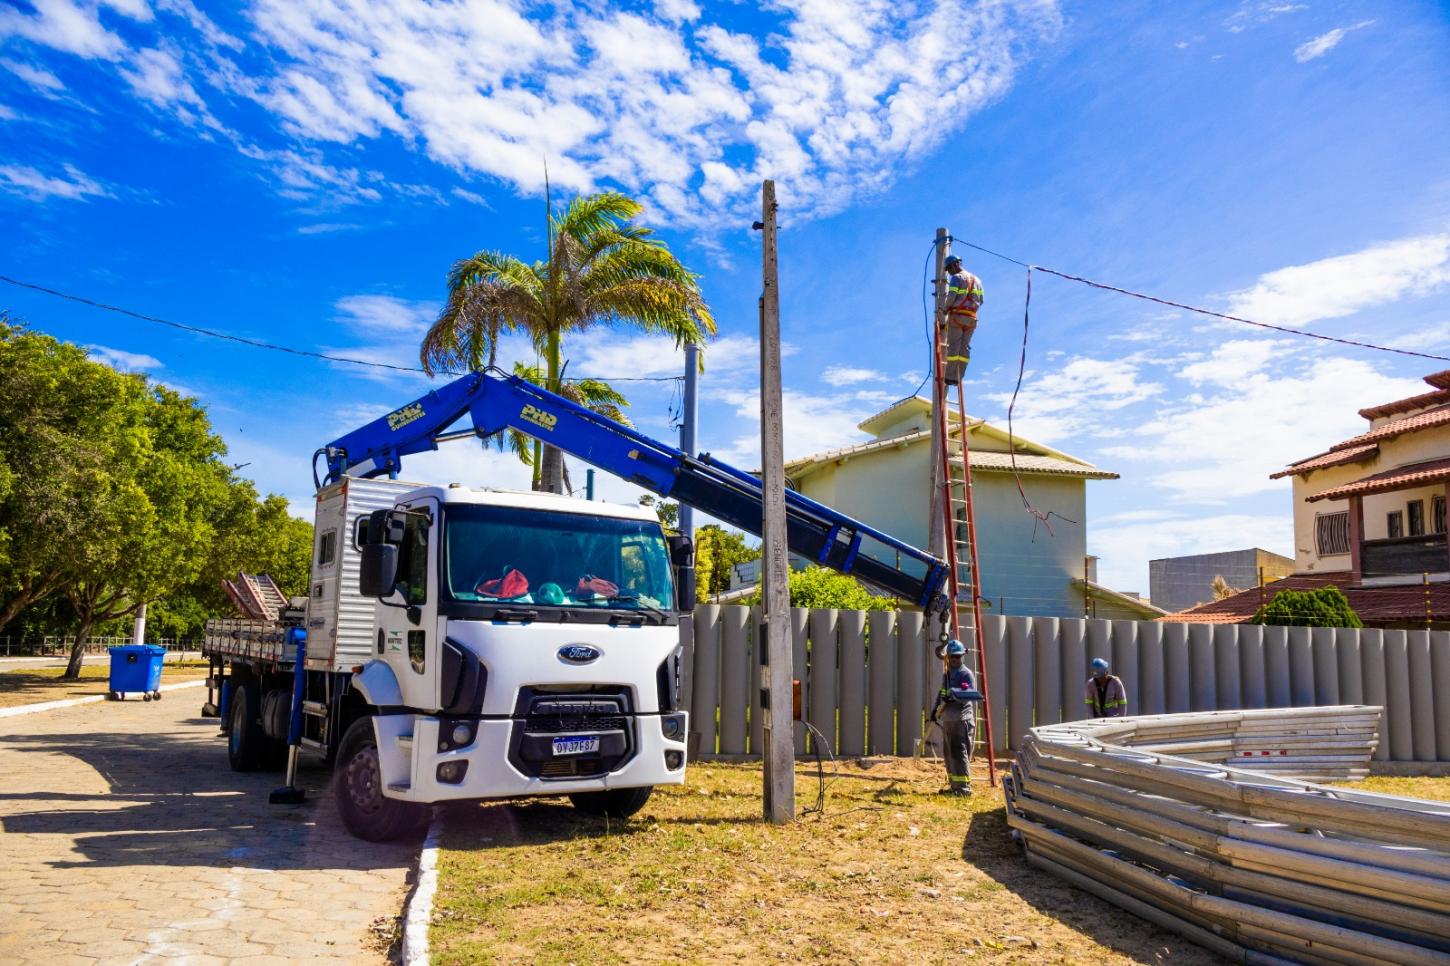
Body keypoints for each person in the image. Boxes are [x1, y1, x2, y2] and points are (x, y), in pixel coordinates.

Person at [932, 640, 981, 795]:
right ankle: (954, 786)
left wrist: (955, 697)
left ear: (962, 656)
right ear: (948, 657)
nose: (955, 659)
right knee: (949, 754)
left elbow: (969, 695)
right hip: (948, 719)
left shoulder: (965, 673)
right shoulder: (947, 674)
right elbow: (942, 693)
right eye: (952, 656)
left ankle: (964, 788)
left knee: (960, 753)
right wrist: (935, 710)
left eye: (958, 657)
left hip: (961, 720)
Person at [939, 254, 984, 385]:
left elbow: (952, 296)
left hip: (957, 317)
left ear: (955, 264)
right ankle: (959, 377)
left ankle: (950, 378)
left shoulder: (957, 278)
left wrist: (945, 309)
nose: (949, 272)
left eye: (948, 269)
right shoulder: (977, 280)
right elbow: (981, 300)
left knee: (954, 348)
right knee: (964, 348)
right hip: (972, 319)